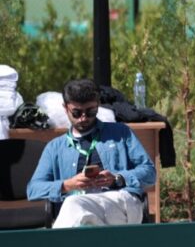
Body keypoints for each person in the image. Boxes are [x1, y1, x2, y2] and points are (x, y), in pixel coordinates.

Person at [27, 78, 156, 228]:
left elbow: (150, 173)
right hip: (79, 211)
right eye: (76, 113)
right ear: (65, 108)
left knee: (73, 204)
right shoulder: (55, 147)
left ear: (98, 106)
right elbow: (33, 189)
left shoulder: (121, 132)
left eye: (91, 112)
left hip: (120, 202)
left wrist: (117, 178)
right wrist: (67, 185)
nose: (84, 118)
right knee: (78, 212)